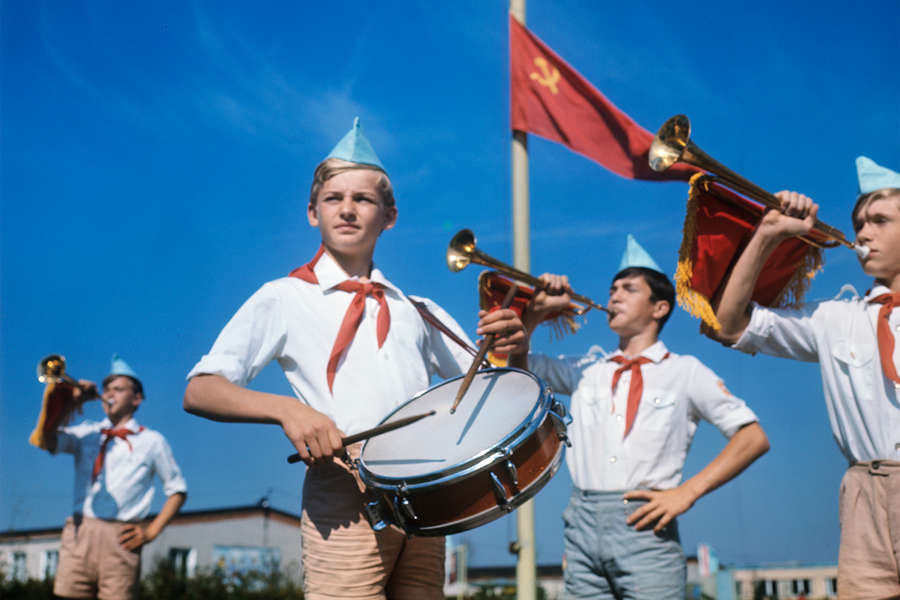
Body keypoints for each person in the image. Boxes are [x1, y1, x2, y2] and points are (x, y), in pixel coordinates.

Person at [183, 118, 522, 600]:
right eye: (333, 199)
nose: (346, 209)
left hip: (428, 488)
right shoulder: (284, 296)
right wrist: (288, 410)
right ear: (312, 212)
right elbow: (200, 389)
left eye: (363, 199)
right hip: (345, 486)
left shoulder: (418, 309)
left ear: (390, 216)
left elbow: (492, 391)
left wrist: (514, 344)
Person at [506, 235, 770, 599]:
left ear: (660, 308)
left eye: (629, 289)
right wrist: (535, 314)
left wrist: (687, 492)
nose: (614, 297)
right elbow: (518, 378)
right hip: (581, 524)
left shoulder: (685, 371)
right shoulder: (586, 368)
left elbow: (752, 437)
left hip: (647, 526)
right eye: (613, 289)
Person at [711, 156, 900, 599]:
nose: (862, 234)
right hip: (864, 495)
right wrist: (768, 233)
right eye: (859, 224)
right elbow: (729, 325)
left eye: (879, 221)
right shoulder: (835, 317)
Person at [34, 354, 187, 600]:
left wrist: (150, 532)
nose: (109, 394)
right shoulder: (88, 432)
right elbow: (48, 440)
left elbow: (177, 491)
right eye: (106, 389)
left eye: (118, 389)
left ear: (137, 398)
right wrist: (71, 402)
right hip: (81, 532)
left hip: (121, 537)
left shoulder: (152, 441)